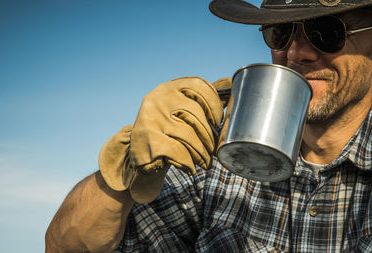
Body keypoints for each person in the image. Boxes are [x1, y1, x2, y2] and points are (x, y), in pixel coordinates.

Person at [45, 0, 372, 252]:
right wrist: (125, 168)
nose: (295, 52)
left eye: (327, 33)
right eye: (281, 33)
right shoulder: (216, 153)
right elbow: (62, 246)